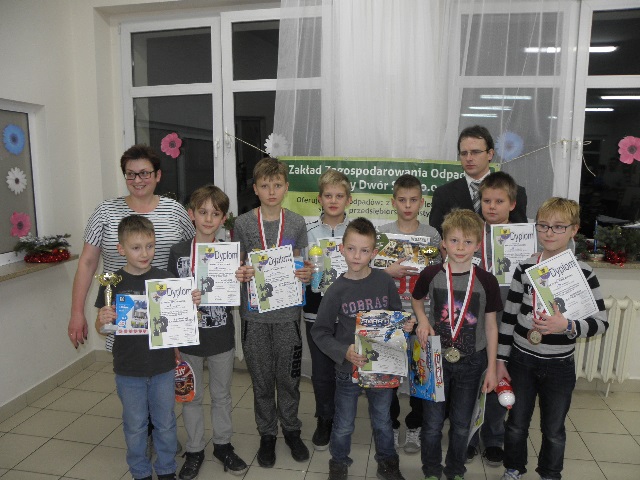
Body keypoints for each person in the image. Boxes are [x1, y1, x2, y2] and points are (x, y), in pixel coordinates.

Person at [497, 198, 608, 480]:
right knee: (516, 423)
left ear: (574, 230)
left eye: (559, 227)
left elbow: (601, 323)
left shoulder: (584, 273)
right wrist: (500, 361)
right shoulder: (524, 268)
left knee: (554, 429)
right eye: (543, 226)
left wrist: (566, 325)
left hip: (559, 365)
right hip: (522, 360)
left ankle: (550, 474)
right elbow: (509, 317)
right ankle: (513, 468)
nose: (549, 232)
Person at [94, 215, 201, 480]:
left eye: (150, 246)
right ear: (121, 249)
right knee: (135, 425)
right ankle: (140, 471)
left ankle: (166, 469)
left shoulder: (165, 279)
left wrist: (191, 305)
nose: (145, 253)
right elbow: (101, 327)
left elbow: (179, 320)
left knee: (166, 422)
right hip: (128, 369)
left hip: (163, 367)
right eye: (136, 247)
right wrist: (102, 320)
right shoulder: (112, 283)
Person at [312, 217, 413, 480]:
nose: (357, 256)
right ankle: (338, 462)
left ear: (374, 253)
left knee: (382, 420)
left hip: (381, 369)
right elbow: (320, 331)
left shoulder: (384, 282)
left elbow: (396, 316)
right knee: (344, 423)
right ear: (342, 249)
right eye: (352, 249)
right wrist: (342, 351)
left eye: (364, 250)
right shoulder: (336, 290)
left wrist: (405, 325)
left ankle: (387, 463)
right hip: (349, 368)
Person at [69, 144, 195, 348]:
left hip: (167, 316)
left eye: (144, 173)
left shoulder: (175, 211)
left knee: (166, 367)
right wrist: (77, 313)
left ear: (158, 175)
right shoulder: (104, 212)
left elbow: (193, 255)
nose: (137, 180)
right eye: (131, 174)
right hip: (123, 318)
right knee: (127, 365)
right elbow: (87, 262)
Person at [233, 157, 312, 468]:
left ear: (286, 187)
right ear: (255, 188)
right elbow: (235, 265)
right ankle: (267, 433)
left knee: (288, 379)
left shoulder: (296, 223)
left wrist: (305, 273)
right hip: (254, 316)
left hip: (287, 316)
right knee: (262, 380)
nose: (271, 191)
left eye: (277, 185)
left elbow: (302, 263)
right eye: (265, 185)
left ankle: (291, 429)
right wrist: (240, 273)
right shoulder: (242, 223)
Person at [412, 209, 501, 480]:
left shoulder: (487, 281)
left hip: (472, 361)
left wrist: (492, 368)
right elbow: (417, 299)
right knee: (432, 423)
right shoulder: (431, 273)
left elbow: (491, 326)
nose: (460, 248)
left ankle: (455, 471)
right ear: (443, 243)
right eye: (454, 241)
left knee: (462, 424)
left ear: (478, 245)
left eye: (467, 242)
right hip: (435, 358)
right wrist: (422, 320)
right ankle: (431, 471)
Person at [167, 185, 249, 479]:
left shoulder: (231, 253)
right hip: (187, 339)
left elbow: (239, 296)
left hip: (220, 337)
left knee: (222, 395)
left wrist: (243, 278)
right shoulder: (177, 252)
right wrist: (173, 340)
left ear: (224, 218)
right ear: (191, 214)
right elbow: (168, 298)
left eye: (215, 214)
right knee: (190, 396)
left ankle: (222, 445)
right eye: (202, 212)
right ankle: (194, 449)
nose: (208, 219)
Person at [378, 174, 443, 454]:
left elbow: (438, 271)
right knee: (389, 377)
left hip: (421, 315)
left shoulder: (431, 235)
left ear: (421, 202)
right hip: (391, 316)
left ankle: (415, 425)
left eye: (413, 200)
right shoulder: (383, 233)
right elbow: (371, 274)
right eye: (402, 200)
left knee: (420, 374)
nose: (407, 205)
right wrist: (387, 272)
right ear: (393, 202)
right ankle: (391, 425)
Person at [466, 171, 519, 466]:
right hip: (475, 320)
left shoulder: (524, 238)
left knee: (500, 377)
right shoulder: (471, 235)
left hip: (507, 320)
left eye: (499, 201)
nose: (492, 206)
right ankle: (469, 436)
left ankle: (494, 437)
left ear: (512, 204)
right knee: (473, 378)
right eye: (486, 201)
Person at [303, 168, 352, 451]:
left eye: (339, 196)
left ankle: (342, 419)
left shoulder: (357, 230)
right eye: (328, 195)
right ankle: (324, 419)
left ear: (348, 199)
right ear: (319, 198)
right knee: (321, 372)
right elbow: (299, 269)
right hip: (316, 311)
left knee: (345, 368)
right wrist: (304, 274)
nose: (333, 200)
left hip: (348, 313)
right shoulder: (307, 231)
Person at [428, 125, 527, 235]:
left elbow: (521, 236)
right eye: (464, 153)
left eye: (475, 152)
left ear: (490, 154)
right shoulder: (443, 194)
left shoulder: (516, 192)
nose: (469, 158)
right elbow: (436, 237)